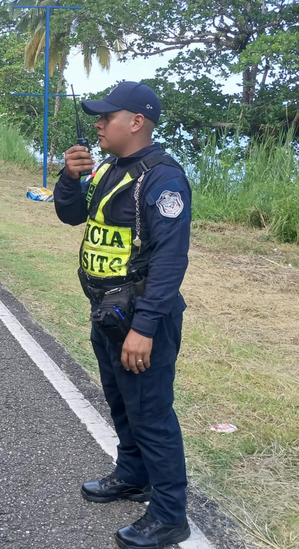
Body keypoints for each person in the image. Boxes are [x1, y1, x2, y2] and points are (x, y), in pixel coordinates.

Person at [53, 81, 192, 549]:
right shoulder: (109, 170)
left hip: (140, 319)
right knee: (120, 402)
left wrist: (145, 328)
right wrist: (69, 178)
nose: (97, 123)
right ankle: (133, 475)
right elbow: (72, 217)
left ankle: (170, 515)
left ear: (136, 122)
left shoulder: (162, 178)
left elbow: (171, 261)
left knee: (151, 413)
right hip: (107, 313)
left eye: (106, 116)